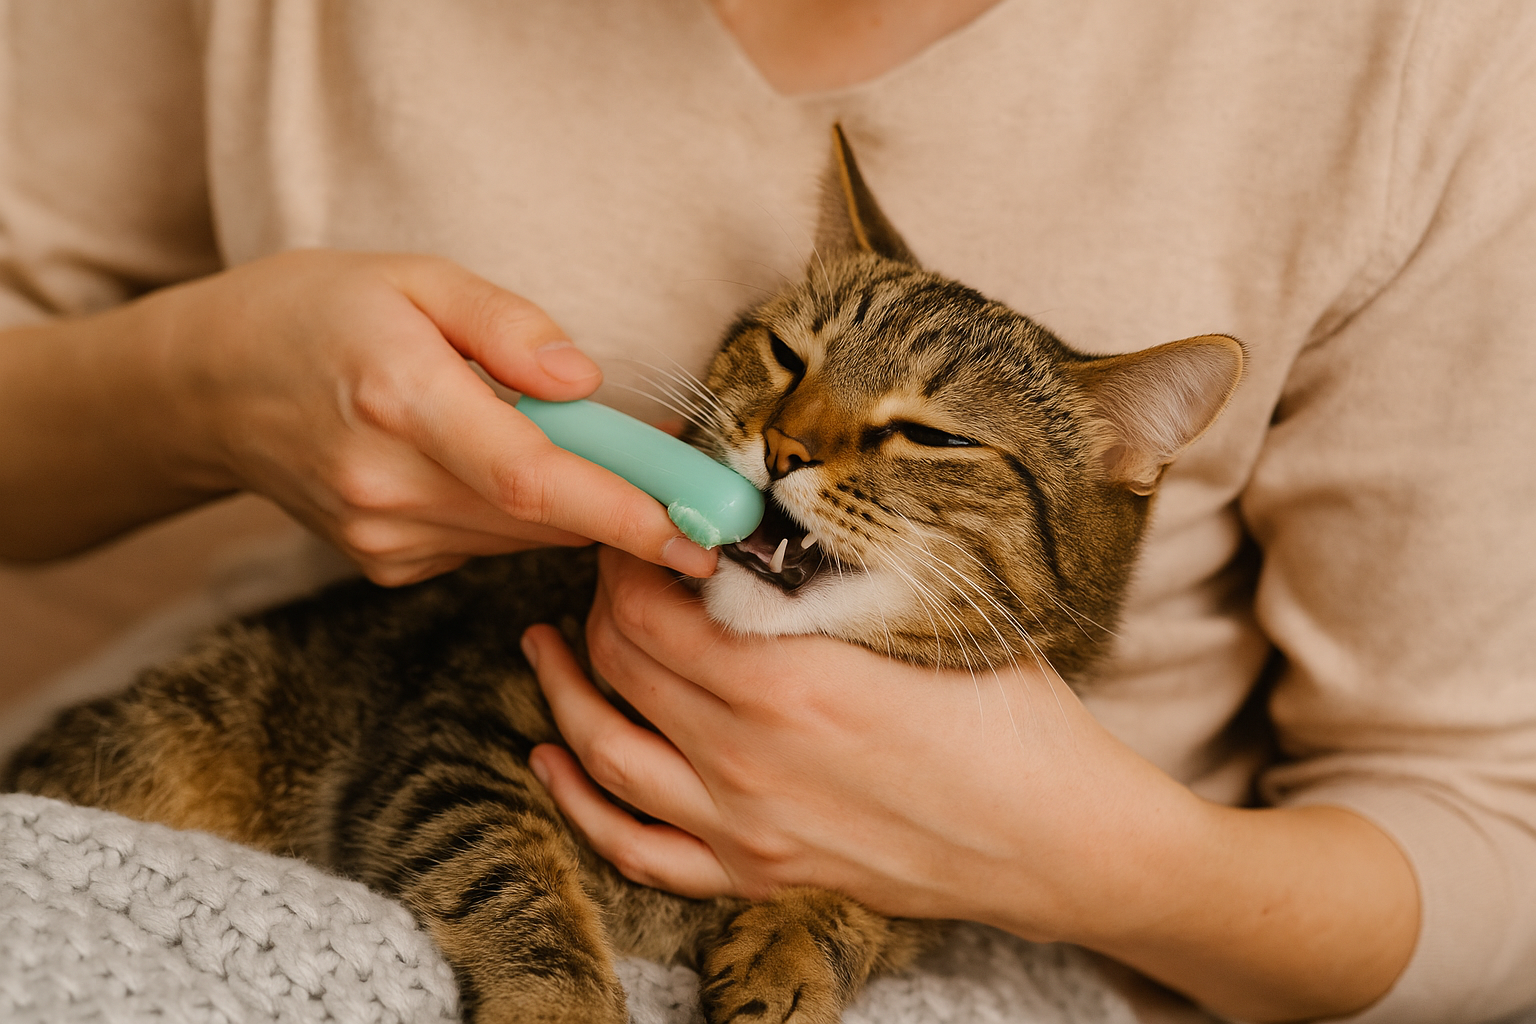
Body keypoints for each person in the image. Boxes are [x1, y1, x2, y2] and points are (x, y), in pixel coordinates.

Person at [3, 2, 1534, 1021]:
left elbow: (1493, 825)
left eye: (919, 438)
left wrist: (1080, 859)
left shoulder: (1427, 59)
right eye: (790, 367)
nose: (795, 447)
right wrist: (195, 384)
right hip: (328, 802)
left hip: (1071, 957)